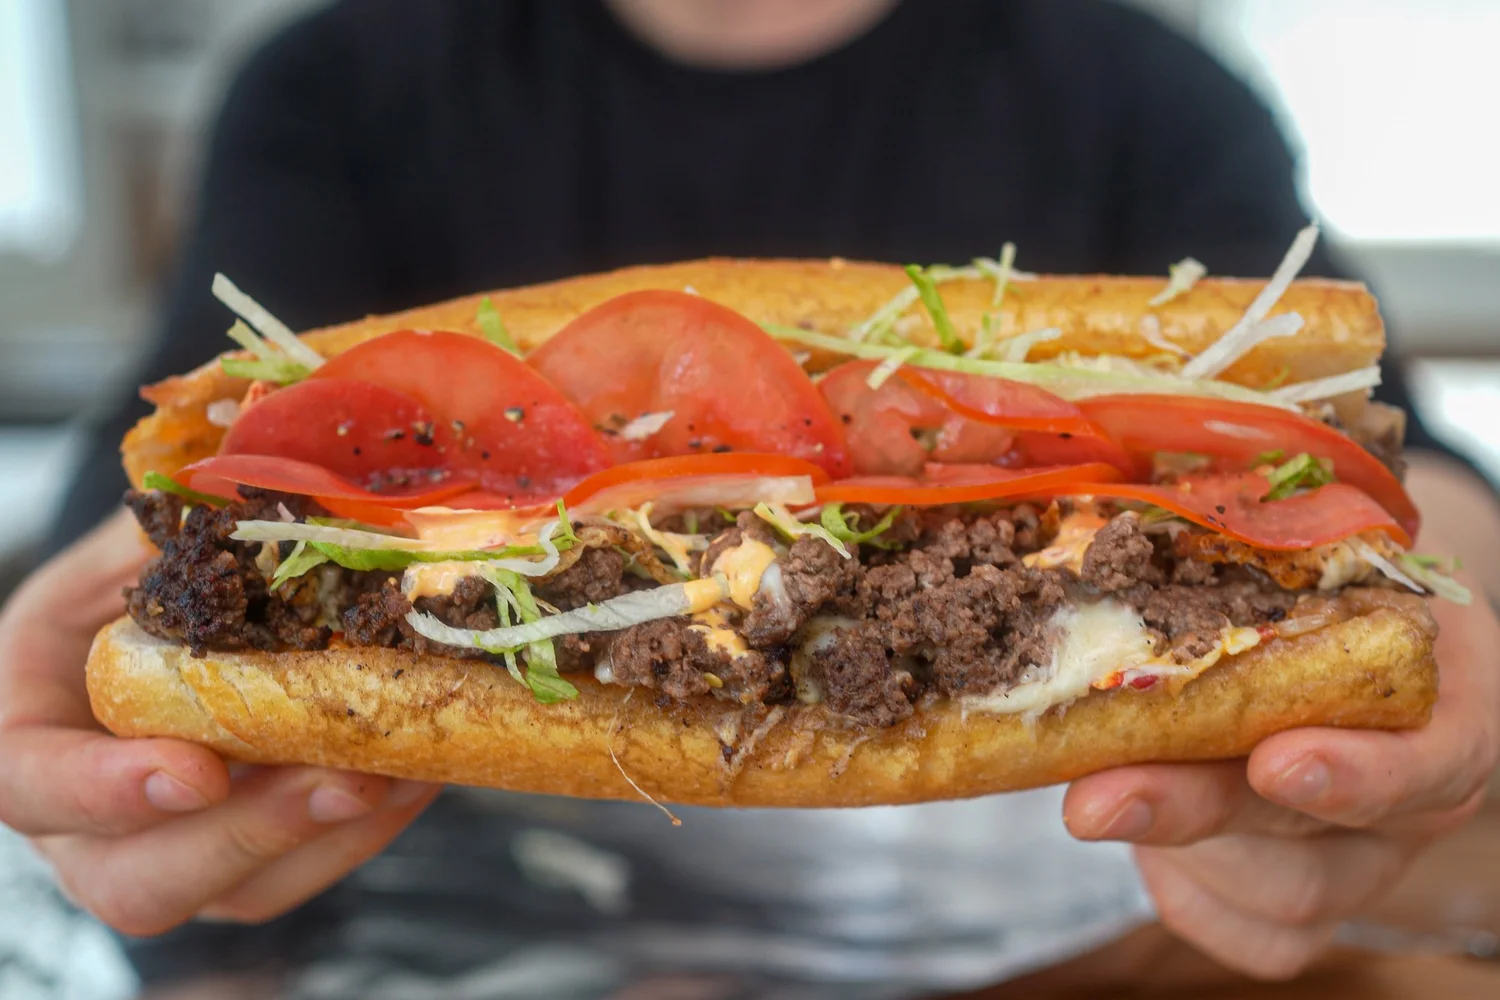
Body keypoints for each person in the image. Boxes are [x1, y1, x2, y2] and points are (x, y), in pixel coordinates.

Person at [2, 1, 1497, 997]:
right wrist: (64, 657)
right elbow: (180, 453)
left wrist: (1467, 679)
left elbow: (1395, 462)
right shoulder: (348, 75)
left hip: (1100, 945)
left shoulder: (1132, 81)